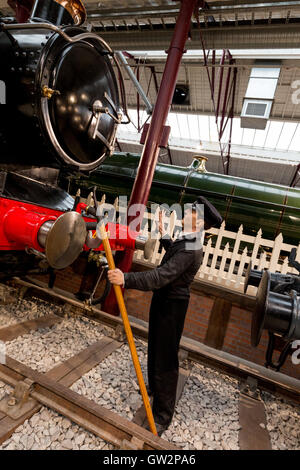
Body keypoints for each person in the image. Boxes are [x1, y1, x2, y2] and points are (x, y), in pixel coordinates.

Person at [108, 196, 222, 436]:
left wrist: (126, 278)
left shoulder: (193, 248)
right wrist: (163, 234)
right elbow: (174, 251)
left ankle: (162, 415)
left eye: (192, 210)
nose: (187, 210)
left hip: (172, 306)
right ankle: (154, 388)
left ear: (199, 222)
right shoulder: (188, 240)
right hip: (164, 300)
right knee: (155, 346)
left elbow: (160, 276)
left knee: (166, 358)